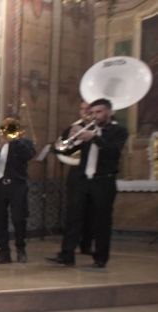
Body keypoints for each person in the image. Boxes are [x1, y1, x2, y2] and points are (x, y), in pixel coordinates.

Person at [48, 98, 128, 268]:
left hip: (103, 181)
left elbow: (113, 151)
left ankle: (100, 258)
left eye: (99, 112)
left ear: (109, 112)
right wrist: (71, 136)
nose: (95, 116)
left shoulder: (118, 131)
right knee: (73, 218)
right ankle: (67, 255)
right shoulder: (88, 130)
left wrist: (94, 137)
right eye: (93, 113)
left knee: (101, 221)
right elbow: (63, 150)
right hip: (82, 181)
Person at [0, 119, 36, 263]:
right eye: (5, 129)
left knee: (19, 218)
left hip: (17, 185)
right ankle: (3, 252)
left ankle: (20, 249)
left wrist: (15, 141)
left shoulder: (24, 144)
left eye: (10, 130)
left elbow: (29, 155)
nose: (7, 133)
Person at [55, 101, 95, 256]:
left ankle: (86, 245)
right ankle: (68, 249)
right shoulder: (73, 127)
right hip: (76, 174)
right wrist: (74, 138)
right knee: (73, 213)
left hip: (94, 174)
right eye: (82, 108)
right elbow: (59, 148)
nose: (84, 112)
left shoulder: (99, 130)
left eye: (88, 109)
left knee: (91, 213)